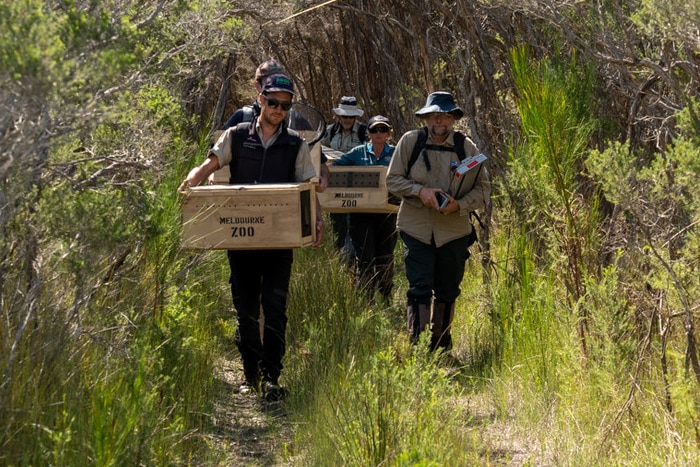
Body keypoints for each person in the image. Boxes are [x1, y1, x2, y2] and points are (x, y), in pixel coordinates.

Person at [179, 74, 325, 401]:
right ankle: (251, 376)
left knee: (275, 310)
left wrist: (317, 218)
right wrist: (191, 182)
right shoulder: (236, 136)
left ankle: (272, 378)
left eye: (285, 106)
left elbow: (308, 187)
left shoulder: (295, 145)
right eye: (273, 103)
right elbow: (210, 164)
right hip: (241, 241)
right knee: (246, 311)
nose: (278, 110)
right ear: (261, 100)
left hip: (279, 243)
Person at [386, 91, 491, 352]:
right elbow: (392, 180)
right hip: (416, 227)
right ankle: (419, 348)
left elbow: (483, 190)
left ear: (453, 118)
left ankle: (441, 346)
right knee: (419, 287)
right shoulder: (411, 142)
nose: (439, 122)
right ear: (427, 117)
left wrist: (459, 205)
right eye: (434, 116)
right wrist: (421, 192)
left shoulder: (466, 148)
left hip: (453, 230)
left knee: (447, 289)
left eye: (444, 116)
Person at [220, 60, 328, 191]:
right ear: (258, 86)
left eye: (285, 105)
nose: (278, 109)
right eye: (269, 79)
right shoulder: (241, 117)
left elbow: (320, 161)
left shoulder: (296, 119)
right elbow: (215, 156)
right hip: (241, 203)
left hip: (284, 203)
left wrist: (323, 177)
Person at [332, 115, 397, 303]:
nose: (379, 133)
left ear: (388, 134)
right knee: (365, 258)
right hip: (361, 215)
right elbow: (335, 168)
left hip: (387, 214)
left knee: (385, 256)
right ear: (368, 133)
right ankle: (366, 301)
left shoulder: (395, 153)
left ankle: (386, 298)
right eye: (374, 130)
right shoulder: (357, 152)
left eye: (383, 129)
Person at [321, 96, 368, 259]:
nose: (347, 120)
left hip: (358, 187)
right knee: (338, 225)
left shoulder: (364, 132)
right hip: (334, 187)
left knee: (357, 225)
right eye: (344, 116)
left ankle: (358, 259)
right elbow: (319, 154)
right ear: (339, 116)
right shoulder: (329, 131)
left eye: (351, 116)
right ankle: (340, 261)